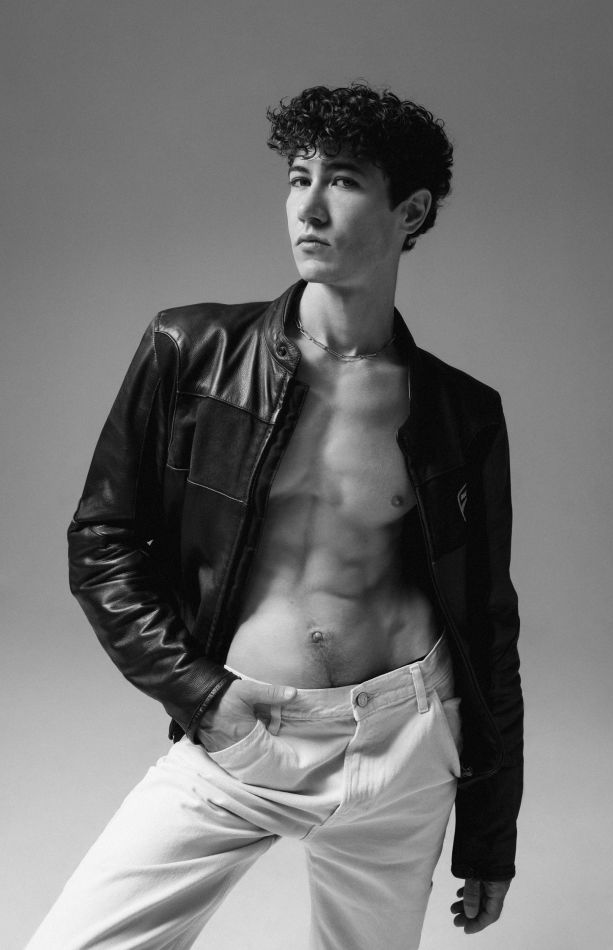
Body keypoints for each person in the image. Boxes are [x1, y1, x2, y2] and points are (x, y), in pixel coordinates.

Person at [27, 82, 523, 949]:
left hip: (406, 744)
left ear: (410, 211)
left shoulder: (460, 413)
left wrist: (489, 832)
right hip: (245, 733)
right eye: (299, 178)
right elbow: (102, 542)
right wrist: (201, 696)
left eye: (344, 180)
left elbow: (486, 625)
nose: (309, 206)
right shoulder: (191, 353)